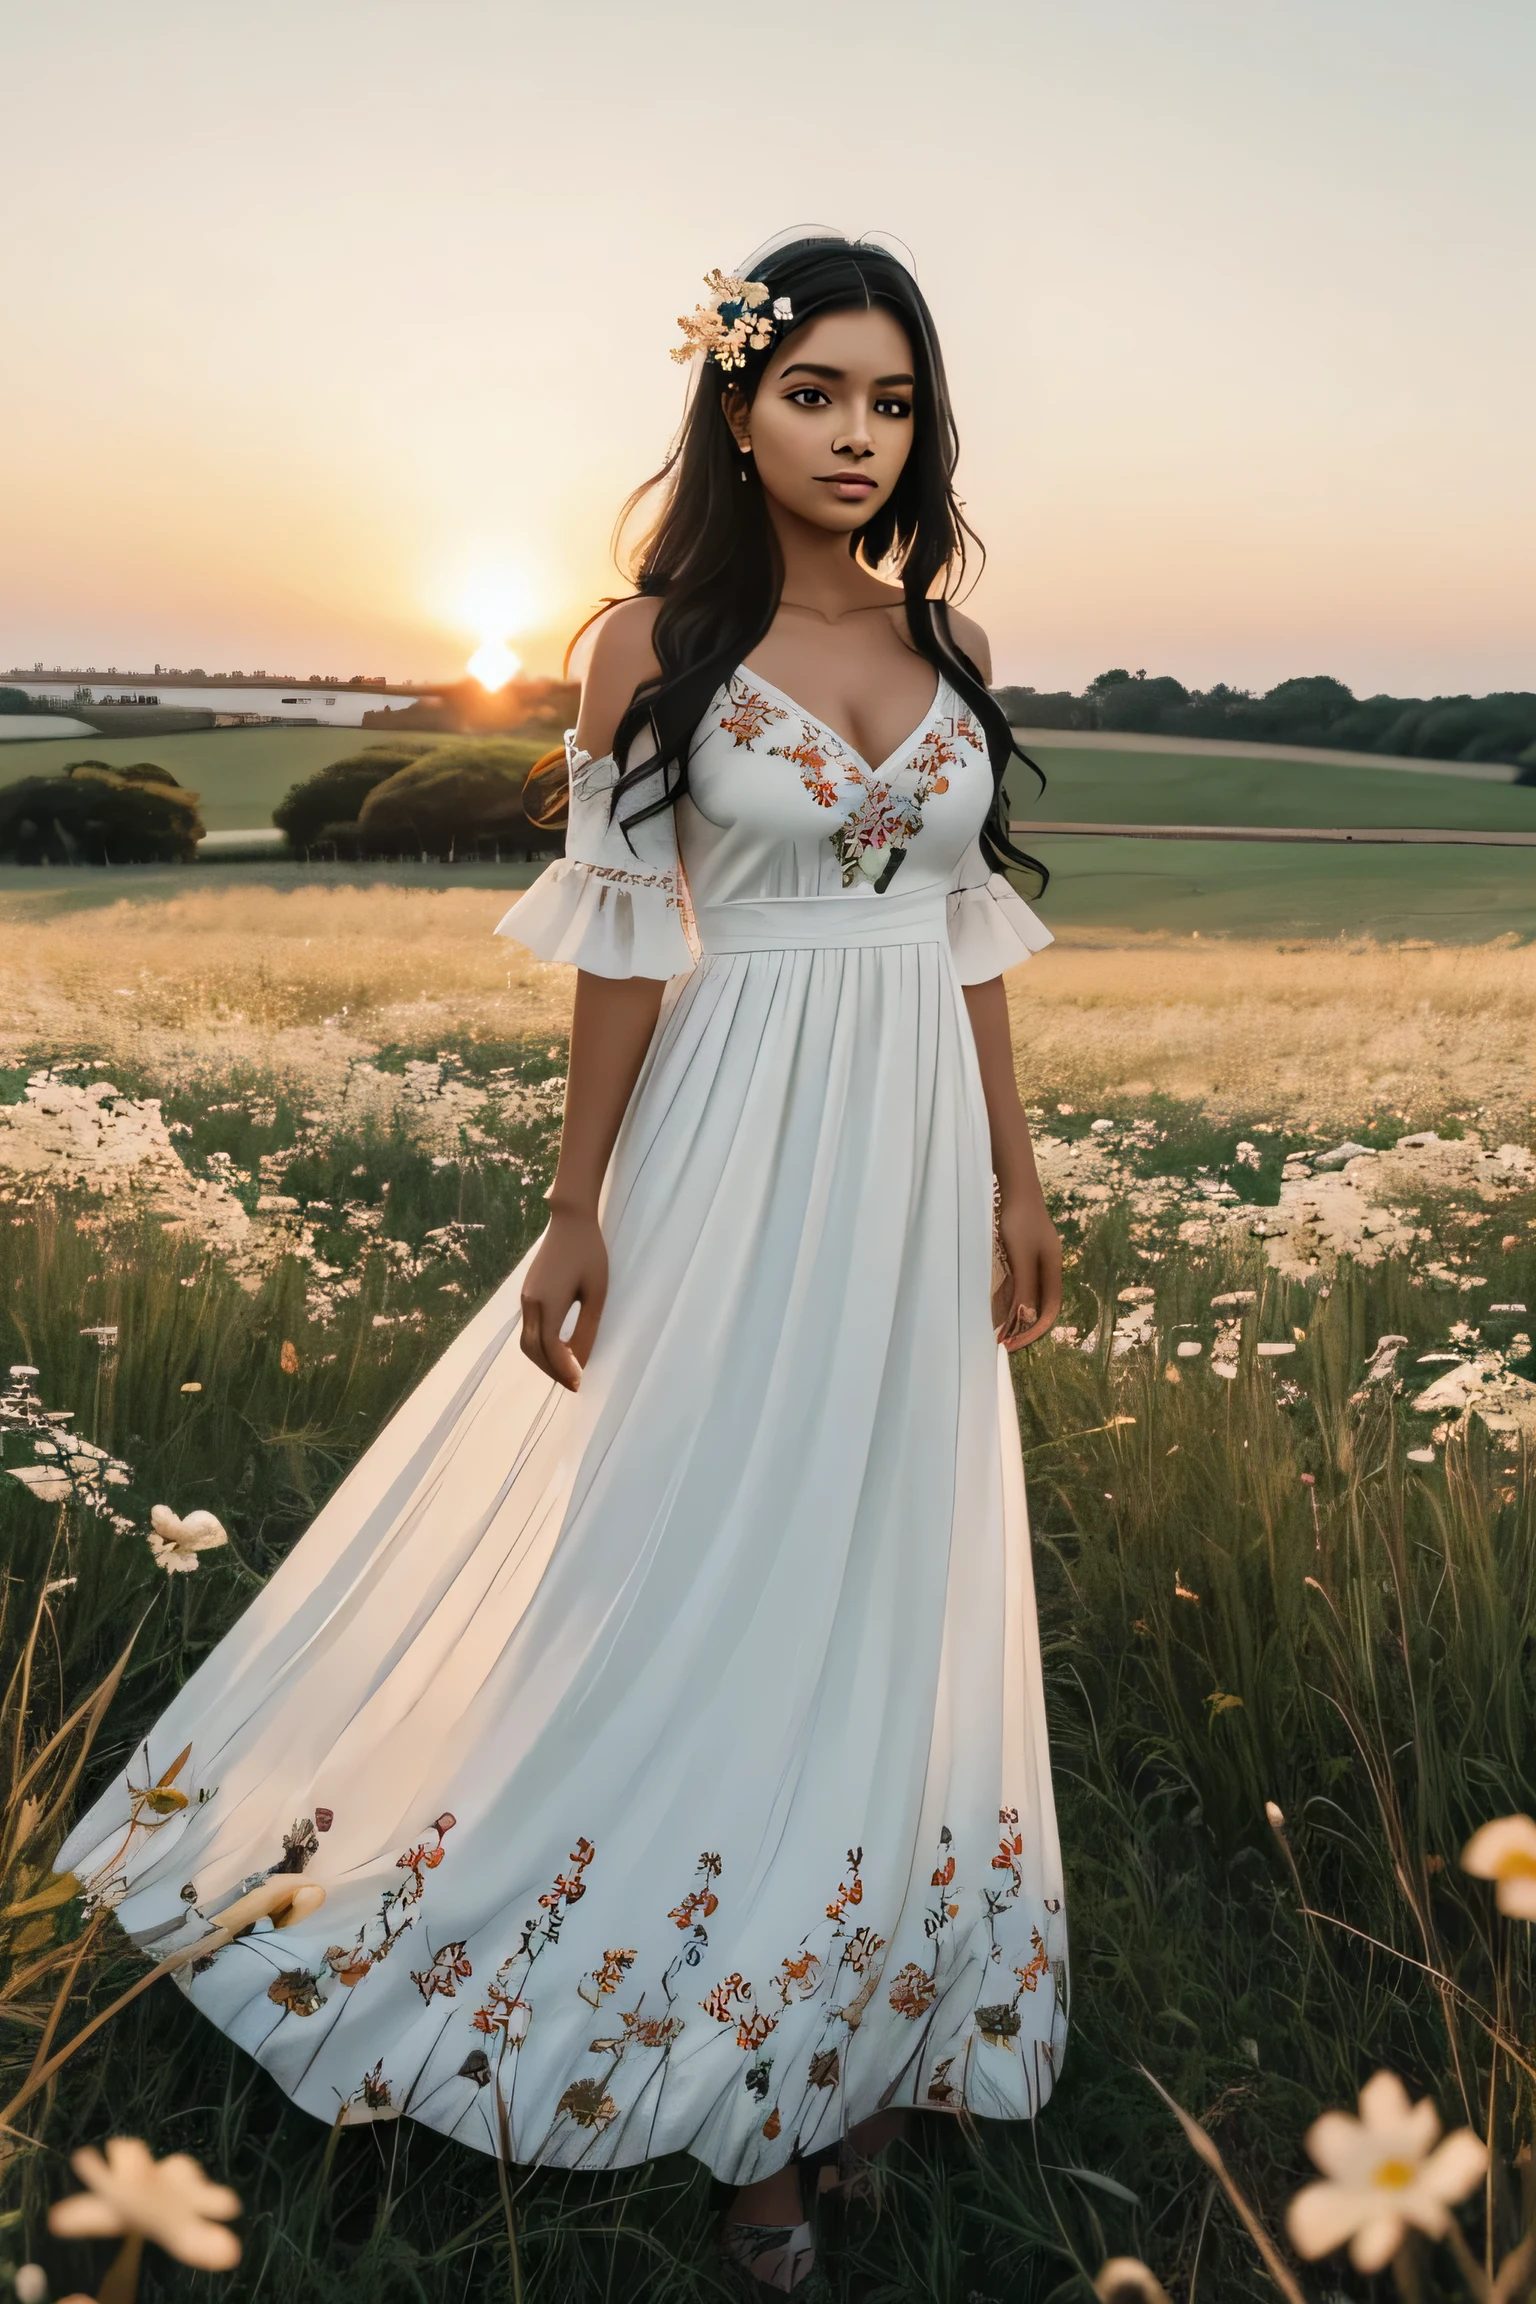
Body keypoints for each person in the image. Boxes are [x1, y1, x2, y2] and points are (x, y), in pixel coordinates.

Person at [58, 231, 1068, 2296]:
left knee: (885, 1564)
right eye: (815, 393)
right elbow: (619, 943)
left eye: (890, 401)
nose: (856, 435)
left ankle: (853, 2018)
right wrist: (576, 1198)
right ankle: (729, 2093)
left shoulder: (947, 644)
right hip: (730, 1140)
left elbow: (968, 938)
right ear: (734, 402)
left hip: (910, 1170)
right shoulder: (649, 643)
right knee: (694, 1547)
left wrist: (1015, 1181)